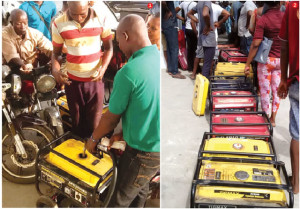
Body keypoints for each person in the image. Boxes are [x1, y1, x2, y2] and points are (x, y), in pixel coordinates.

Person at [86, 14, 160, 207]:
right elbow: (146, 106)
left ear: (126, 36)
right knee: (139, 189)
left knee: (117, 199)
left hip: (144, 152)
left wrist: (93, 140)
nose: (118, 45)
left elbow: (110, 118)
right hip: (157, 147)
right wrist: (122, 133)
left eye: (118, 40)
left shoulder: (128, 71)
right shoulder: (159, 58)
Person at [51, 1, 113, 138]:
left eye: (82, 14)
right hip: (72, 82)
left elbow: (109, 48)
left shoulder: (102, 18)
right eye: (74, 14)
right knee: (77, 123)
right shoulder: (58, 23)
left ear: (89, 4)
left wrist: (102, 70)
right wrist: (55, 71)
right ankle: (79, 153)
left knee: (94, 124)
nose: (78, 18)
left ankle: (93, 151)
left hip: (95, 81)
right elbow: (56, 53)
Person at [244, 1, 283, 127]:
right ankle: (273, 118)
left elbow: (255, 44)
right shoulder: (285, 17)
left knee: (265, 91)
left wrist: (247, 63)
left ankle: (266, 119)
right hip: (281, 60)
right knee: (277, 90)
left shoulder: (263, 19)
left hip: (266, 61)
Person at [277, 1, 299, 194]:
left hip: (297, 79)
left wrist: (283, 78)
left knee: (297, 132)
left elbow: (284, 46)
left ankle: (296, 184)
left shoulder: (292, 8)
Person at [188, 1, 217, 79]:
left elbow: (189, 13)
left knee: (206, 63)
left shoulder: (200, 3)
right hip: (209, 36)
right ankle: (205, 86)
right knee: (207, 64)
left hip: (203, 36)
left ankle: (204, 84)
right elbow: (205, 14)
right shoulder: (207, 1)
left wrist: (199, 21)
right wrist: (207, 26)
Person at [162, 1, 185, 79]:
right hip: (170, 24)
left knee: (169, 48)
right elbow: (163, 2)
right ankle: (174, 71)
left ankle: (171, 69)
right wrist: (169, 12)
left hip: (166, 24)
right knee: (174, 49)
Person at [176, 1, 197, 72]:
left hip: (187, 29)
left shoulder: (183, 3)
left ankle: (190, 67)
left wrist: (182, 19)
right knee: (195, 49)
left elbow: (174, 12)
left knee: (189, 49)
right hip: (194, 29)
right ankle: (195, 68)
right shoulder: (195, 4)